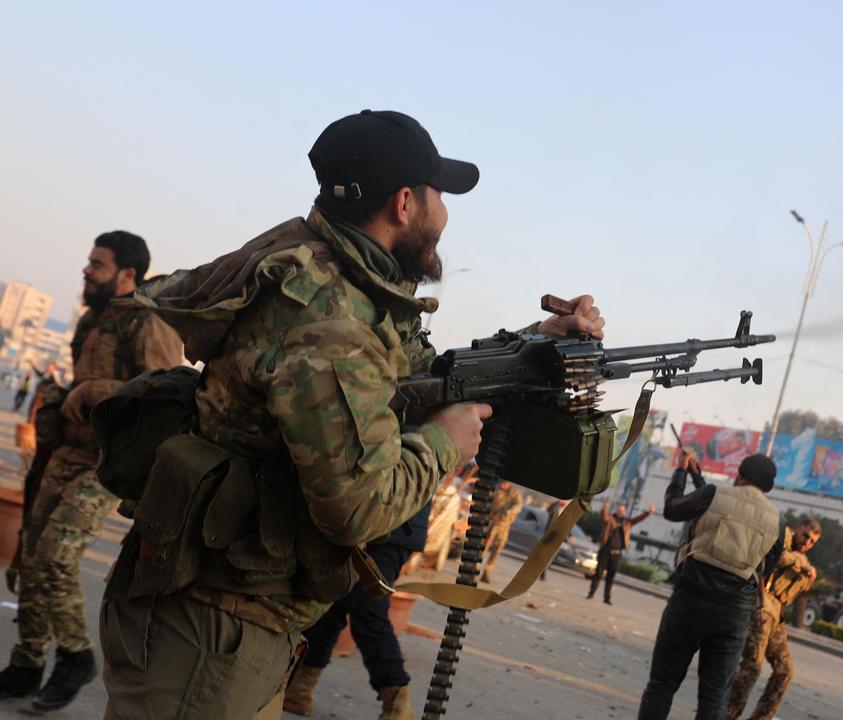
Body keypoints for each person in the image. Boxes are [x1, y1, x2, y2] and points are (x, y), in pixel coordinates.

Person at [97, 109, 607, 719]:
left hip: (227, 614)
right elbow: (357, 508)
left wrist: (539, 341)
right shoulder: (331, 320)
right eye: (438, 194)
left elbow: (415, 376)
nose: (445, 214)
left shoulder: (322, 266)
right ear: (404, 205)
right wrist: (445, 444)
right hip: (213, 632)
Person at [0, 232, 184, 711]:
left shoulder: (149, 322)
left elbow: (167, 393)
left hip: (107, 465)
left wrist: (97, 388)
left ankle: (77, 657)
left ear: (127, 274)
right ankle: (26, 664)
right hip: (66, 453)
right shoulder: (94, 320)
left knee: (58, 556)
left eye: (96, 264)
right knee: (33, 556)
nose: (86, 270)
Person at [638, 451, 784, 720]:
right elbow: (768, 566)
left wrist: (681, 472)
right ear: (768, 487)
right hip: (734, 615)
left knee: (662, 684)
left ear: (739, 476)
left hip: (690, 601)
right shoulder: (778, 522)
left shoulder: (715, 494)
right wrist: (697, 475)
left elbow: (674, 508)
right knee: (714, 696)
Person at [283, 503, 430, 719]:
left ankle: (398, 706)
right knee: (333, 600)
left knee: (368, 609)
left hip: (392, 525)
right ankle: (298, 691)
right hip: (371, 520)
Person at [726, 517, 821, 720]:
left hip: (776, 615)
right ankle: (728, 716)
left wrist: (807, 576)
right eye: (806, 536)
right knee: (752, 666)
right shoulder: (779, 537)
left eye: (812, 542)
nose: (807, 543)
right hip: (760, 606)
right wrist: (800, 562)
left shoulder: (801, 559)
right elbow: (775, 556)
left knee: (785, 671)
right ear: (797, 528)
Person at [587, 499, 653, 604]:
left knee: (611, 576)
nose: (620, 512)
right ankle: (591, 593)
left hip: (617, 553)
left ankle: (607, 598)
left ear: (624, 512)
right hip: (605, 551)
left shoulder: (627, 522)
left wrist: (648, 513)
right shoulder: (610, 519)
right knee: (598, 573)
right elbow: (604, 518)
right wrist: (605, 508)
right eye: (619, 510)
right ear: (616, 510)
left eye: (622, 510)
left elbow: (638, 519)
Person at [482, 480, 524, 584]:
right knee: (483, 546)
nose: (503, 485)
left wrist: (510, 511)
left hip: (503, 525)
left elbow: (518, 506)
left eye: (505, 483)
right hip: (490, 522)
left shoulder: (514, 493)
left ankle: (487, 571)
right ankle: (474, 567)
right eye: (502, 483)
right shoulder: (494, 489)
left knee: (497, 548)